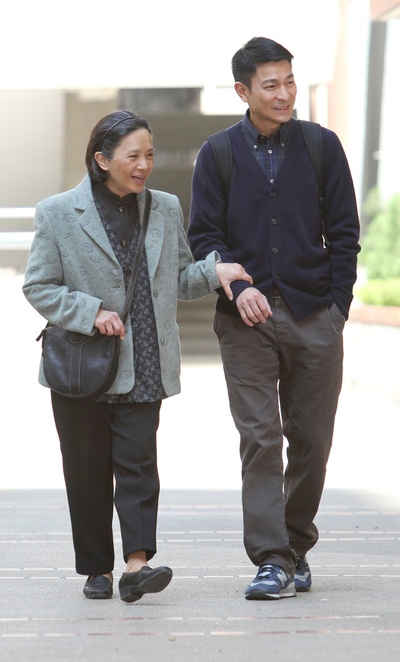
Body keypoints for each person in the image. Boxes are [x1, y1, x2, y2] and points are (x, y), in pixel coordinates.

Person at [23, 110, 252, 603]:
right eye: (134, 156)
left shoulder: (165, 208)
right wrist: (90, 312)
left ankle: (136, 564)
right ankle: (96, 569)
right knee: (86, 470)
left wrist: (215, 273)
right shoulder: (58, 212)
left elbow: (180, 278)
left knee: (139, 466)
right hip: (82, 363)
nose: (145, 164)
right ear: (102, 159)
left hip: (146, 358)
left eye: (150, 154)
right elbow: (38, 286)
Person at [188, 37, 360, 600]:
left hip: (315, 313)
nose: (284, 94)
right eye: (271, 85)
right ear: (243, 91)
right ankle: (271, 559)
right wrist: (238, 287)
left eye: (289, 81)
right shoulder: (216, 153)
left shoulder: (321, 146)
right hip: (245, 322)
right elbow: (204, 239)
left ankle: (295, 545)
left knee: (311, 439)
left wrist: (337, 309)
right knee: (260, 439)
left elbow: (344, 232)